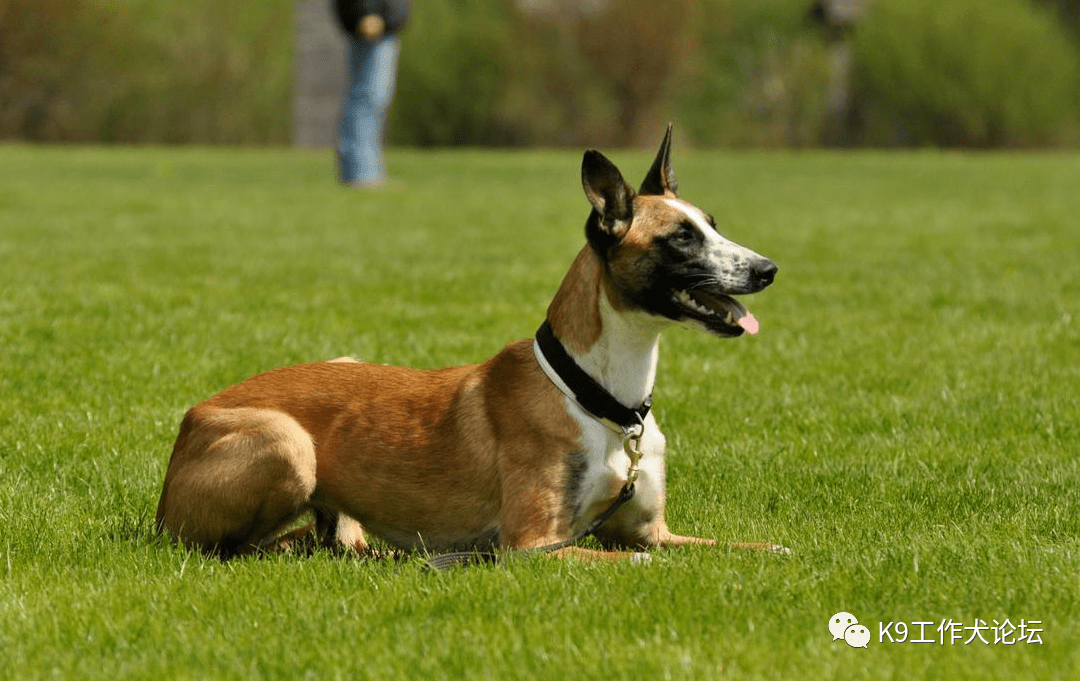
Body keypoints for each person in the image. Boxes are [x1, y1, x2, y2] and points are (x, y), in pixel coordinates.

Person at [332, 0, 411, 187]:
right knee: (367, 99)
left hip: (385, 31)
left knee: (374, 100)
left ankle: (368, 171)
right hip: (370, 32)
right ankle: (361, 173)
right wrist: (364, 18)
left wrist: (390, 20)